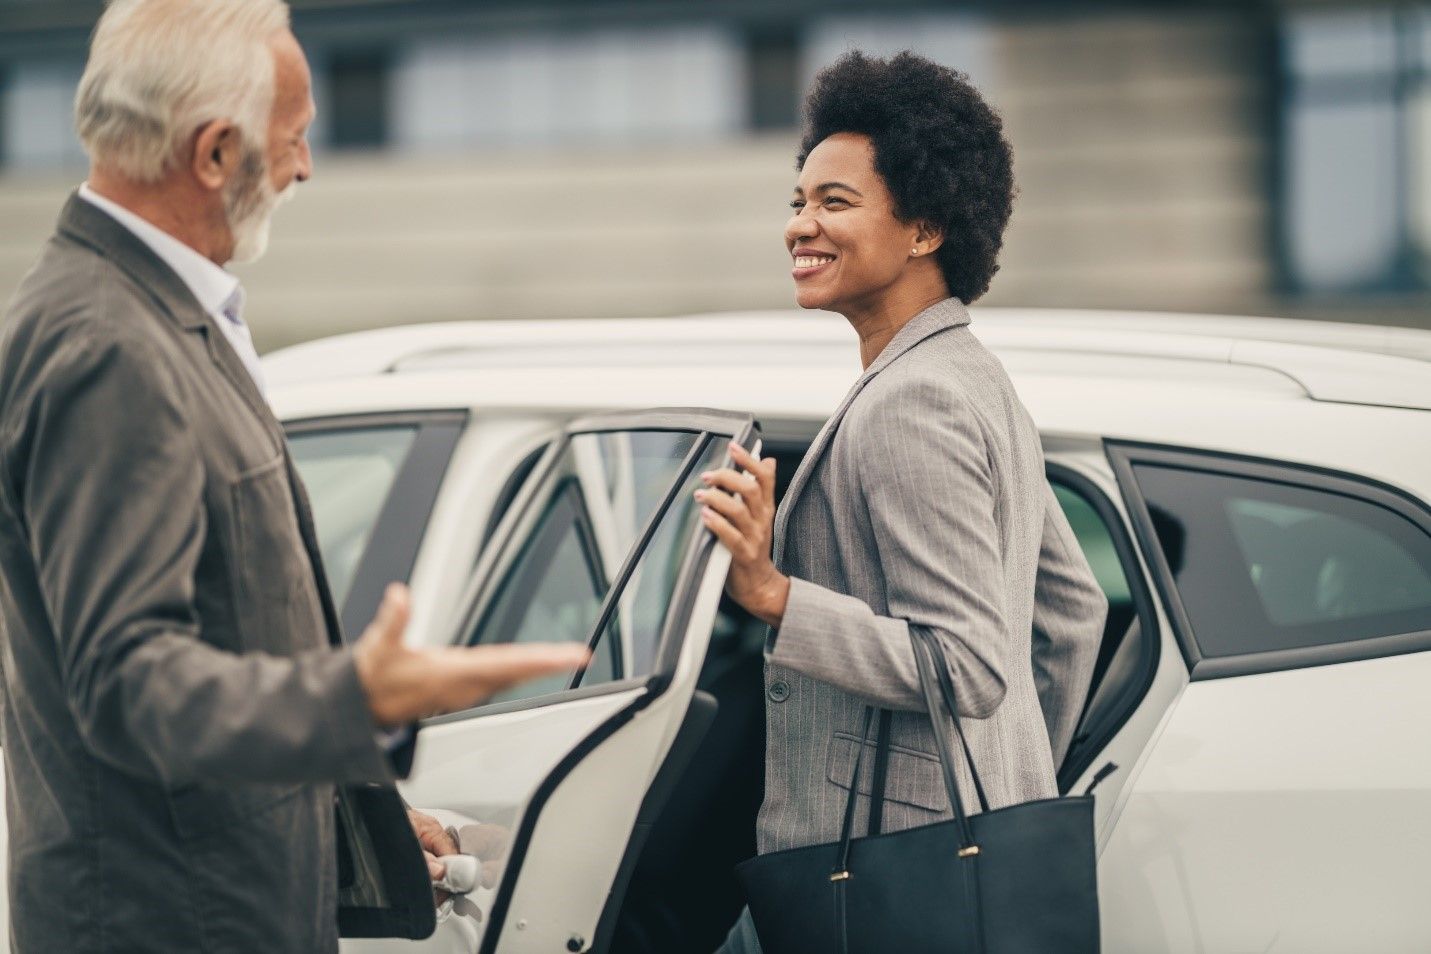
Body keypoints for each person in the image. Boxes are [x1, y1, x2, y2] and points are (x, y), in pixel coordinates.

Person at [0, 2, 587, 952]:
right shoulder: (107, 343)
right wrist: (360, 697)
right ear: (214, 152)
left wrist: (360, 827)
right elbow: (126, 681)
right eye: (295, 138)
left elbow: (220, 652)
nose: (304, 167)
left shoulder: (144, 311)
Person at [698, 51, 1109, 951]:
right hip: (954, 858)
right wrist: (1008, 786)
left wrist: (775, 596)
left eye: (833, 204)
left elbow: (964, 664)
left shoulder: (909, 403)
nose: (799, 226)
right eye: (797, 202)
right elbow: (1070, 616)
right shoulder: (974, 375)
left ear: (923, 229)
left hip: (874, 863)